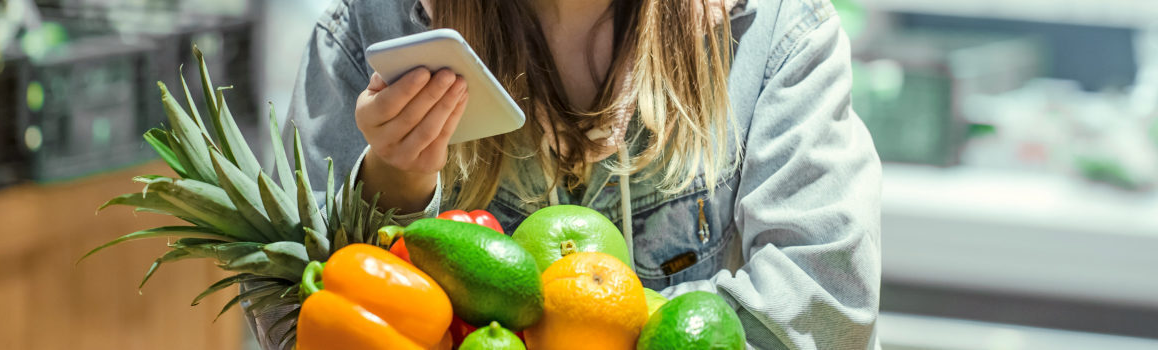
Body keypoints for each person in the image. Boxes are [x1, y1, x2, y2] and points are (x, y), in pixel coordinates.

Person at [264, 0, 882, 348]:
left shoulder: (775, 32)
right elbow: (285, 324)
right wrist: (394, 181)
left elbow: (827, 313)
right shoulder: (373, 32)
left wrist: (571, 332)